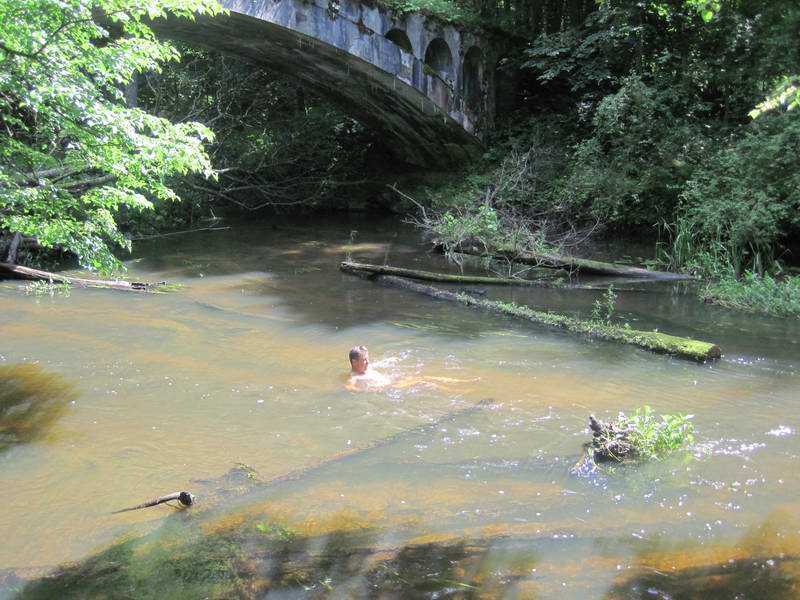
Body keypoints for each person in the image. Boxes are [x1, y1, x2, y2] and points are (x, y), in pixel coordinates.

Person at [345, 345, 477, 392]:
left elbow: (377, 364)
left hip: (393, 381)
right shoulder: (355, 376)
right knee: (423, 382)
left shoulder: (367, 368)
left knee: (426, 377)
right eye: (364, 360)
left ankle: (460, 382)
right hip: (391, 387)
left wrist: (388, 360)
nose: (368, 362)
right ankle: (455, 390)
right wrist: (373, 390)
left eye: (368, 358)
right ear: (355, 362)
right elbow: (350, 387)